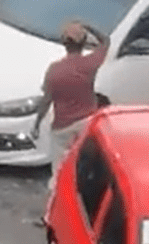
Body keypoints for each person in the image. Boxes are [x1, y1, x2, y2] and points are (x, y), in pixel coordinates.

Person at [31, 21, 109, 183]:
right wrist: (89, 26)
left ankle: (59, 191)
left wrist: (37, 123)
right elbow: (106, 42)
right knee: (86, 161)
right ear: (83, 43)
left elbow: (46, 101)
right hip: (87, 122)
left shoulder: (54, 71)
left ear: (64, 44)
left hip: (62, 127)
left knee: (59, 168)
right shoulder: (89, 64)